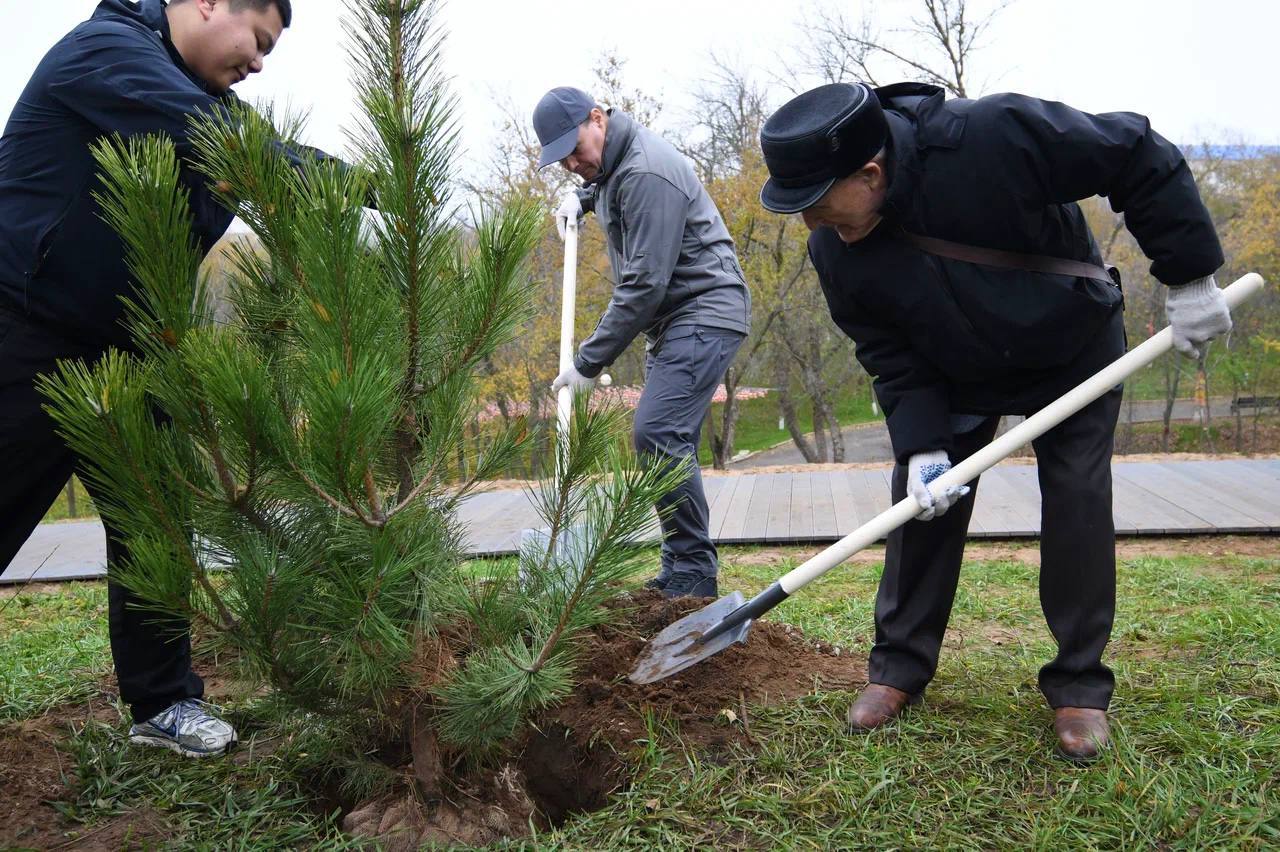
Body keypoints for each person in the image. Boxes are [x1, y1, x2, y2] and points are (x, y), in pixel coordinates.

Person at [757, 81, 1231, 760]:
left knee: (1076, 497)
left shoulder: (990, 136)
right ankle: (897, 669)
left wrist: (1189, 278)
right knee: (921, 508)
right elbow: (891, 355)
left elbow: (1134, 150)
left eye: (822, 206)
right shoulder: (837, 248)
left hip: (1071, 343)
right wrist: (922, 448)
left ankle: (1078, 687)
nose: (814, 227)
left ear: (870, 172)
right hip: (955, 369)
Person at [0, 0, 320, 758]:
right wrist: (361, 186)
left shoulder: (208, 104)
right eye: (260, 40)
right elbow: (227, 146)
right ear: (208, 2)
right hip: (26, 330)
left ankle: (163, 702)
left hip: (134, 347)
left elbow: (251, 152)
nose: (261, 61)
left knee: (156, 527)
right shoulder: (105, 51)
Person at [533, 86, 752, 599]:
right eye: (560, 157)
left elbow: (644, 284)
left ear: (597, 119)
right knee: (662, 440)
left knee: (657, 432)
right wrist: (582, 198)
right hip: (678, 318)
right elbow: (606, 184)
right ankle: (681, 567)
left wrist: (589, 362)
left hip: (705, 310)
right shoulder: (612, 166)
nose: (570, 162)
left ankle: (693, 575)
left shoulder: (646, 172)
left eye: (574, 149)